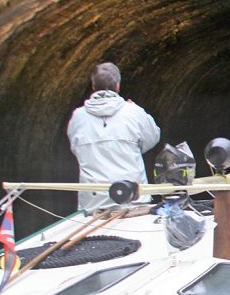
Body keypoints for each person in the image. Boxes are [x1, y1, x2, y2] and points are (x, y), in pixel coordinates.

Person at [67, 62, 161, 212]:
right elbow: (153, 137)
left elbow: (76, 149)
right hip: (132, 200)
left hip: (93, 204)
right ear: (117, 85)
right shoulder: (133, 112)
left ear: (93, 86)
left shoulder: (77, 117)